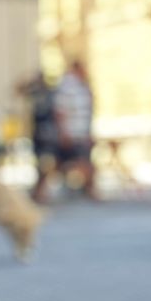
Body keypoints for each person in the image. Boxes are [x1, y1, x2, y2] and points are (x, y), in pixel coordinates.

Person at [53, 60, 96, 200]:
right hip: (71, 132)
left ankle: (88, 189)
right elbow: (60, 111)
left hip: (80, 132)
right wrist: (63, 132)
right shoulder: (67, 87)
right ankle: (89, 190)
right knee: (71, 163)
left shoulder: (82, 86)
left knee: (82, 161)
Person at [24, 73, 57, 203]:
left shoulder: (51, 94)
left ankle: (42, 190)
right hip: (37, 133)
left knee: (46, 162)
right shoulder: (35, 93)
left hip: (48, 133)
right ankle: (40, 190)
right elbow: (19, 90)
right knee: (39, 162)